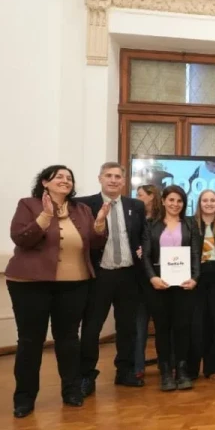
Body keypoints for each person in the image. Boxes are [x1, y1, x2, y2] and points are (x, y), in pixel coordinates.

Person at [5, 165, 109, 418]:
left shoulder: (81, 209)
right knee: (30, 341)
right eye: (59, 177)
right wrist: (45, 217)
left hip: (74, 283)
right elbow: (20, 238)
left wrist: (99, 226)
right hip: (30, 284)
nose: (65, 180)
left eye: (69, 177)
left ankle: (72, 390)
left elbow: (93, 245)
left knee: (69, 339)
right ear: (45, 182)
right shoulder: (28, 205)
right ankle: (24, 398)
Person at [76, 162, 146, 396]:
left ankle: (124, 371)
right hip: (100, 275)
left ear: (124, 181)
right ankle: (87, 375)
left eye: (118, 176)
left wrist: (142, 250)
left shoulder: (135, 206)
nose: (114, 180)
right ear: (100, 178)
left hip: (128, 274)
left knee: (127, 327)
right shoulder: (85, 204)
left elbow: (142, 236)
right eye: (109, 176)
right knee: (92, 327)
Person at [142, 185, 200, 391]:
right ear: (164, 200)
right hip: (159, 285)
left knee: (182, 328)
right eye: (172, 200)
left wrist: (194, 278)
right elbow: (146, 256)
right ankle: (165, 371)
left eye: (180, 201)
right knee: (163, 329)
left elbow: (195, 254)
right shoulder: (151, 225)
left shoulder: (190, 223)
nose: (175, 204)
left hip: (184, 285)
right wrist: (152, 278)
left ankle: (182, 370)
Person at [189, 189, 215, 380]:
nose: (209, 203)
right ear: (199, 203)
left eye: (213, 200)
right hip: (195, 281)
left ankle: (214, 368)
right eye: (205, 200)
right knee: (196, 326)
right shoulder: (190, 223)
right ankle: (192, 369)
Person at [133, 184, 161, 379]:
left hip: (161, 278)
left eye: (140, 194)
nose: (137, 198)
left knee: (163, 326)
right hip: (139, 279)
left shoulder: (164, 220)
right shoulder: (135, 218)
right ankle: (137, 367)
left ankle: (167, 364)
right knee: (139, 326)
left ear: (151, 197)